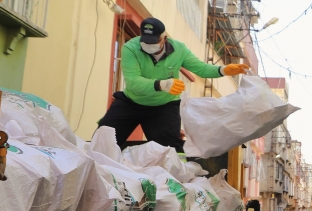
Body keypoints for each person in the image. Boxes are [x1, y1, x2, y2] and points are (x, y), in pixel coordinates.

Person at [97, 17, 249, 152]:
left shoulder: (179, 49)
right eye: (145, 41)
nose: (149, 45)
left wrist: (223, 70)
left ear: (164, 37)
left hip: (164, 106)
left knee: (170, 151)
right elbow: (133, 82)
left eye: (154, 41)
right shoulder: (131, 48)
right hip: (131, 102)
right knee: (102, 140)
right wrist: (163, 84)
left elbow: (200, 68)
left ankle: (174, 181)